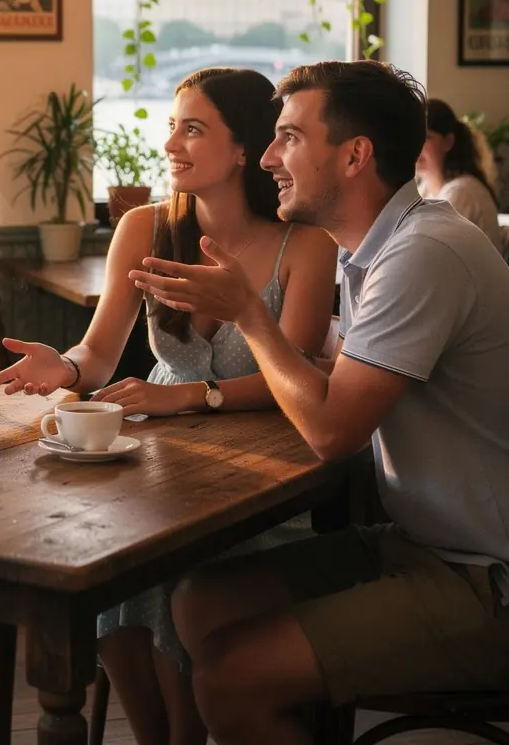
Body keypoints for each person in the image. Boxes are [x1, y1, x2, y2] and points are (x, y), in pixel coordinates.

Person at [130, 61, 509, 745]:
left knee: (227, 677)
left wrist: (249, 312)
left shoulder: (425, 252)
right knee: (200, 599)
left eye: (289, 138)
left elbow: (332, 430)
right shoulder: (369, 251)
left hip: (486, 580)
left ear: (356, 155)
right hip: (420, 545)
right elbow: (333, 377)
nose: (268, 157)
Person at [0, 68, 337, 745]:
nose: (172, 141)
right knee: (120, 570)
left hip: (264, 477)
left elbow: (287, 378)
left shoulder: (306, 243)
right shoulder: (143, 227)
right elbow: (97, 353)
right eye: (172, 124)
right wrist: (62, 367)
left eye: (194, 128)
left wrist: (186, 397)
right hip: (156, 455)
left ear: (245, 149)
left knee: (181, 572)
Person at [416, 97, 502, 252]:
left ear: (448, 142)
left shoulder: (462, 191)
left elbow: (430, 251)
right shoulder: (424, 188)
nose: (416, 145)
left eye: (427, 137)